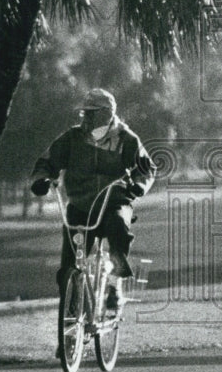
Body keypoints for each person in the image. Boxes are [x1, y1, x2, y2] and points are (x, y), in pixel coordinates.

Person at [29, 88, 155, 328]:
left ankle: (114, 282)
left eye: (91, 113)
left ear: (106, 114)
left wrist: (138, 186)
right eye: (84, 113)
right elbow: (47, 161)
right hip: (79, 206)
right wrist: (41, 179)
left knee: (118, 226)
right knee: (68, 268)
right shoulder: (73, 138)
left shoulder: (126, 139)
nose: (85, 118)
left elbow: (145, 168)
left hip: (114, 201)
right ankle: (70, 330)